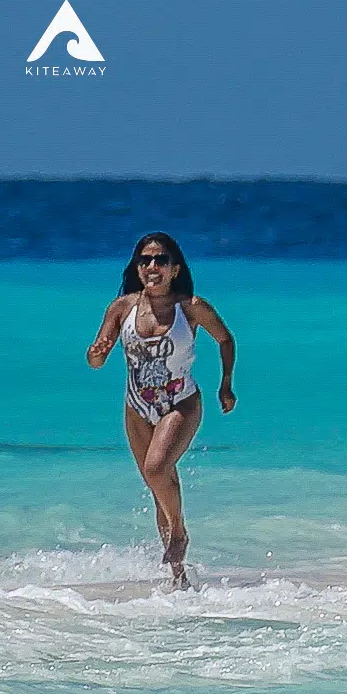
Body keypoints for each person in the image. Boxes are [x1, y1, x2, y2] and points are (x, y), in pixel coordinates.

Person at [86, 233, 237, 589]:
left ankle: (179, 532)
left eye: (160, 260)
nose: (152, 266)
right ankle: (178, 580)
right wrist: (97, 351)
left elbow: (225, 339)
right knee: (158, 487)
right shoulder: (121, 308)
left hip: (180, 402)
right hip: (137, 408)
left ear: (175, 269)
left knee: (157, 468)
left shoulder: (191, 307)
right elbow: (96, 361)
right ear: (137, 267)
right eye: (145, 260)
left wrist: (226, 384)